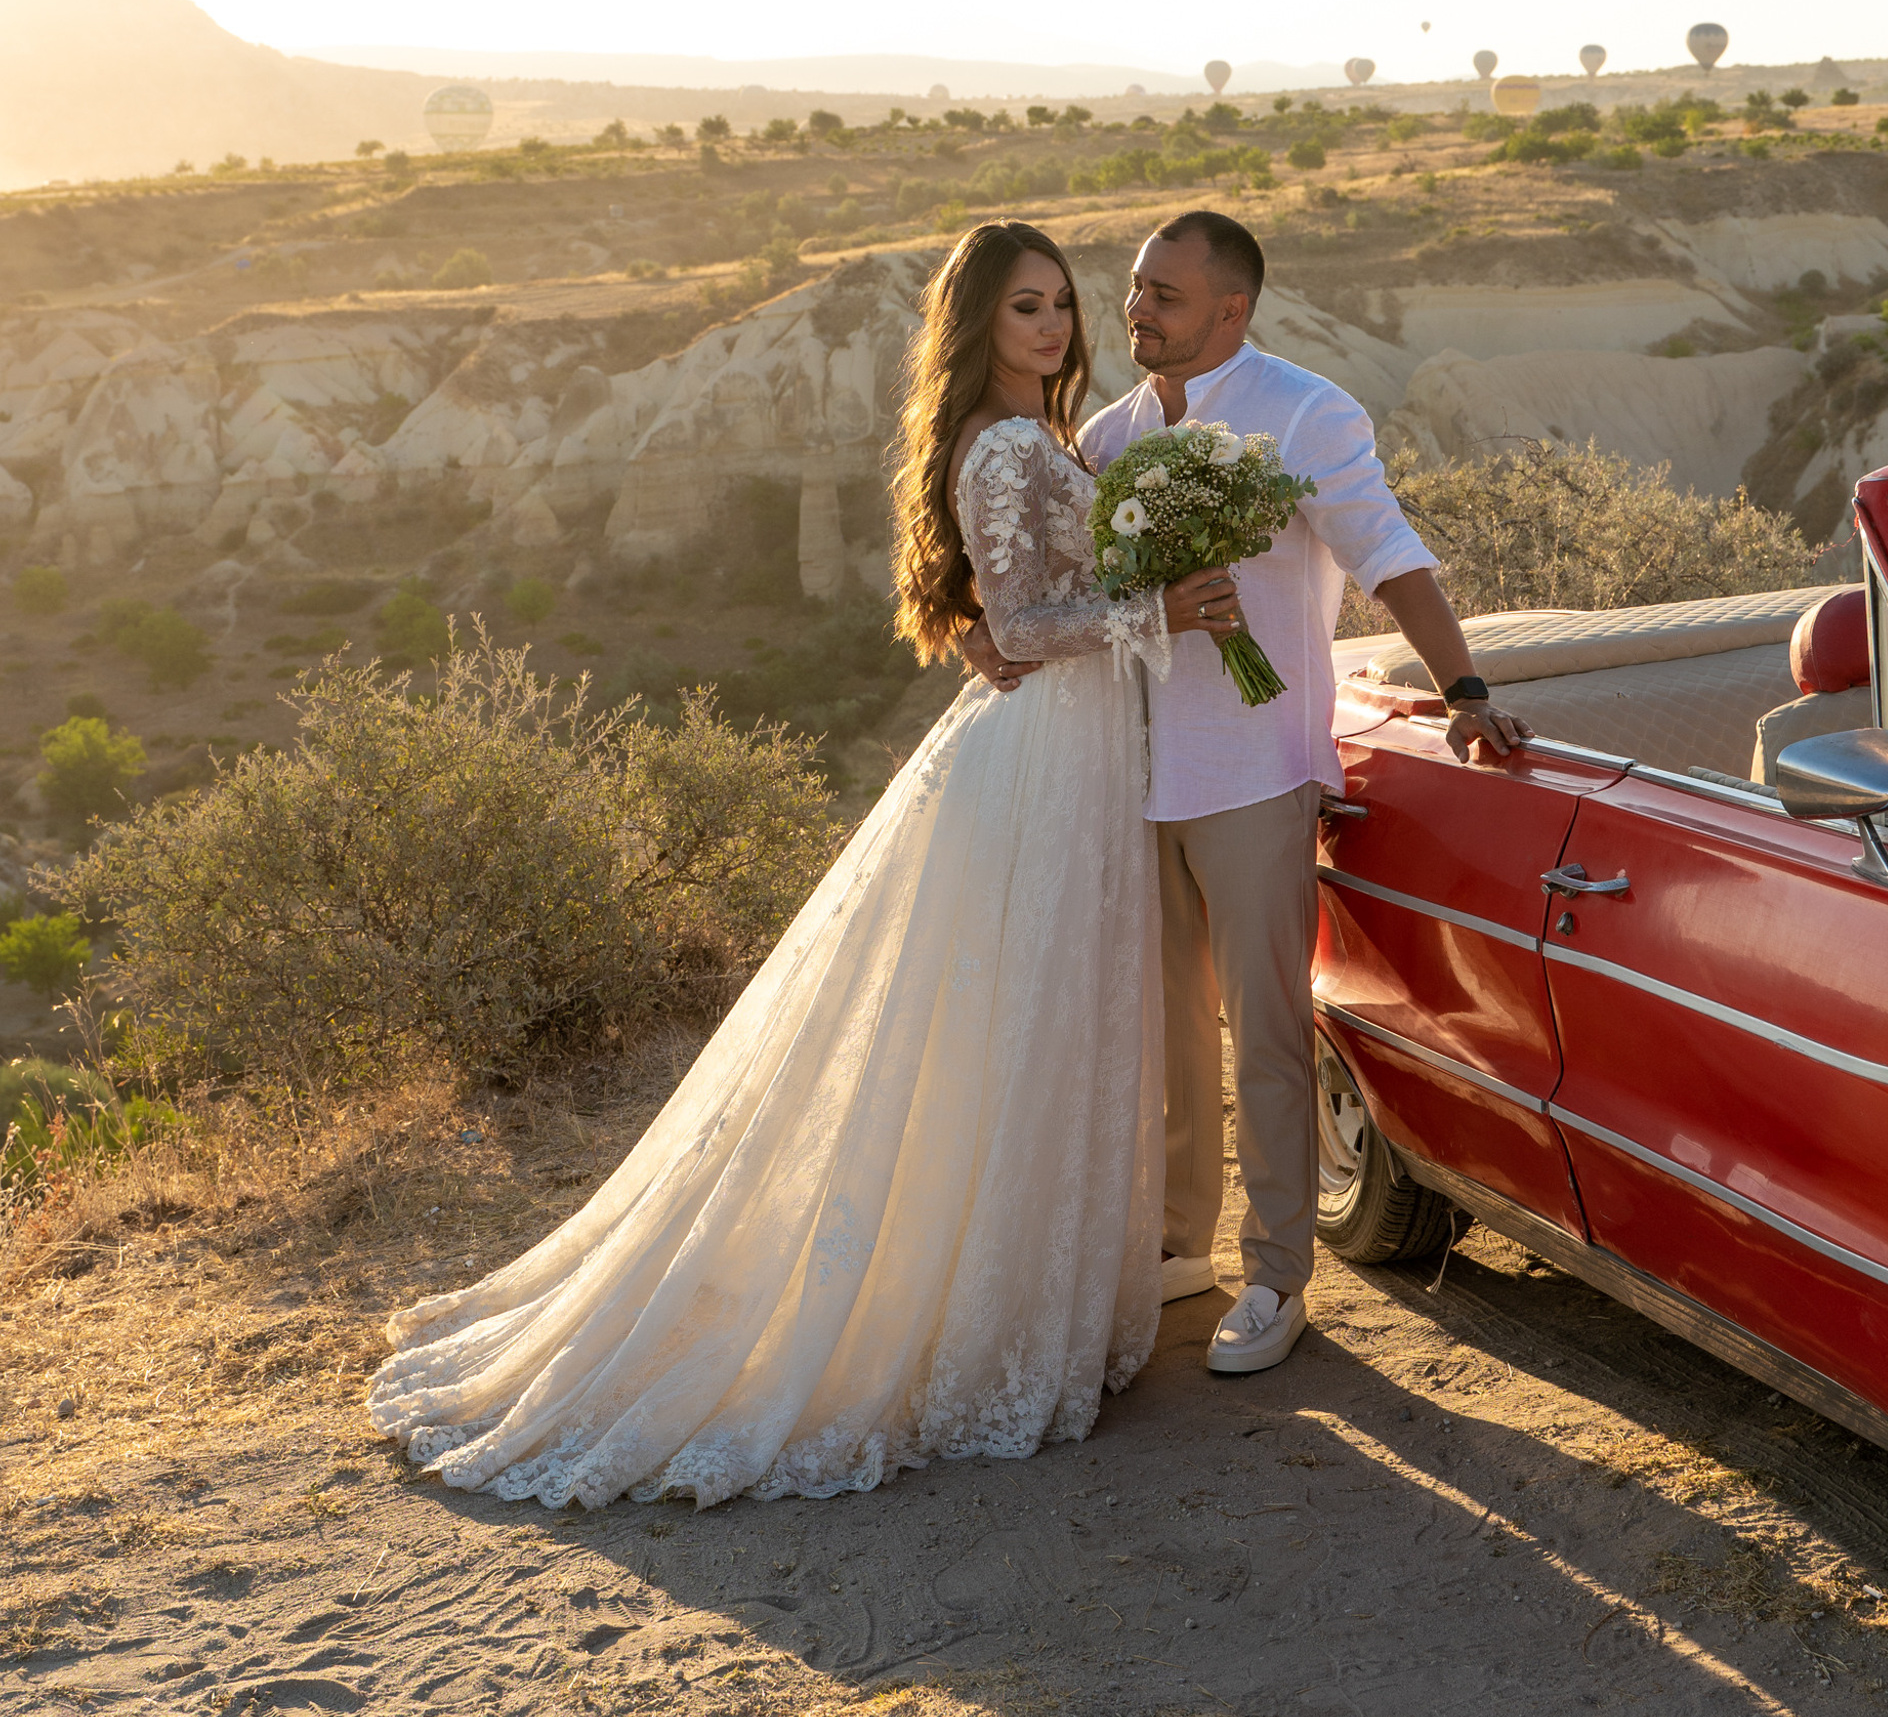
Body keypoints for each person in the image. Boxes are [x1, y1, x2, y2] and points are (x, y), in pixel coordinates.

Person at [367, 221, 1241, 1507]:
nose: (1052, 329)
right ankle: (971, 1314)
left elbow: (991, 618)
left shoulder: (1040, 436)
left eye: (1060, 305)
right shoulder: (1001, 445)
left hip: (1085, 750)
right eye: (1023, 310)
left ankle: (1034, 1292)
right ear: (978, 328)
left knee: (1054, 1022)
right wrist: (1154, 609)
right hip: (1045, 760)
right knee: (1009, 1023)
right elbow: (1016, 621)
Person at [979, 209, 1523, 1381]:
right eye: (1131, 289)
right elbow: (1056, 599)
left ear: (1232, 309)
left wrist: (1465, 686)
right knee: (1162, 1034)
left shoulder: (1307, 411)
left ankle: (1276, 1272)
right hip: (1129, 777)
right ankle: (1179, 1246)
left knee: (1267, 1033)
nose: (1135, 313)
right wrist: (976, 637)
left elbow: (1387, 555)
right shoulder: (1110, 434)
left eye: (1165, 296)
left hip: (1255, 771)